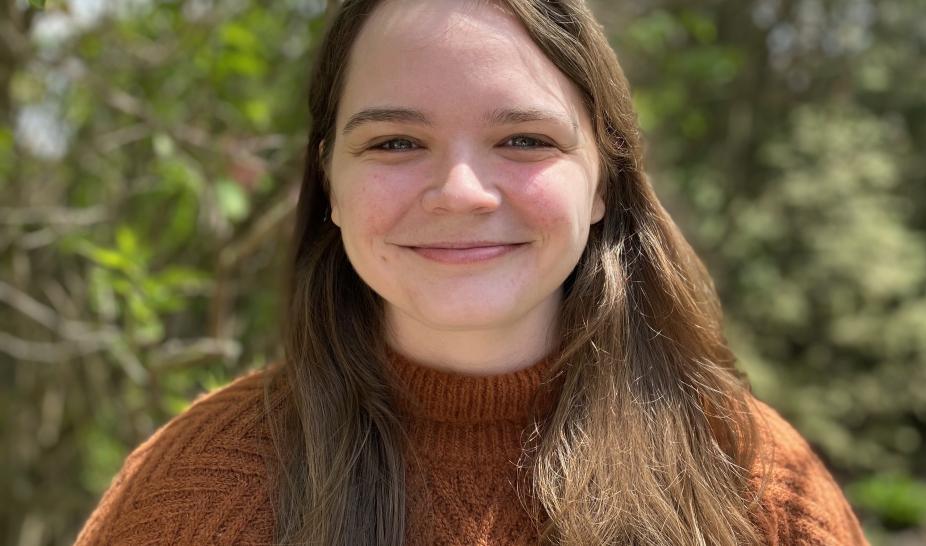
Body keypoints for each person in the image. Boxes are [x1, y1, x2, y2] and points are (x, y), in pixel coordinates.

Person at [75, 0, 870, 544]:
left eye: (524, 139)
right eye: (394, 142)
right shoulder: (197, 489)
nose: (460, 192)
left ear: (602, 182)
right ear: (330, 189)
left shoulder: (753, 482)